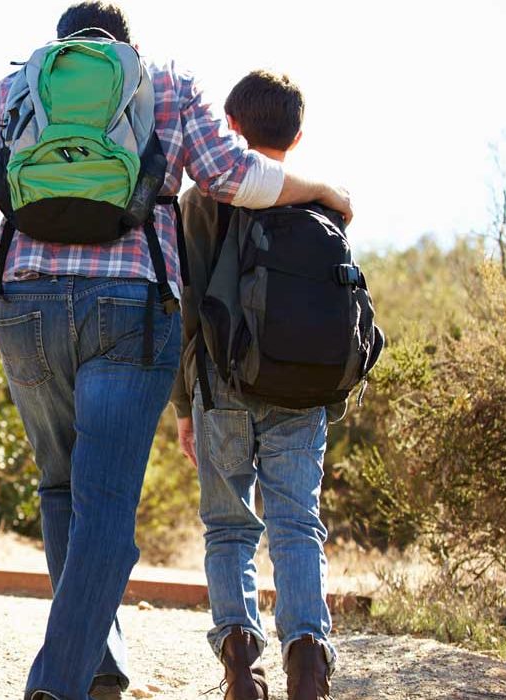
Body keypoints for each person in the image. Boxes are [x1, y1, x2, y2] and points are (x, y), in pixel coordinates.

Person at [0, 4, 353, 700]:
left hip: (27, 308)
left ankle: (97, 668)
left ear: (59, 49)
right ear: (125, 47)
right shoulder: (164, 84)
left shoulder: (14, 91)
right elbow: (231, 176)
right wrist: (323, 191)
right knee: (105, 504)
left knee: (61, 488)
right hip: (131, 309)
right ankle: (61, 683)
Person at [171, 70, 336, 700]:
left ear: (230, 129)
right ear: (296, 137)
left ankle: (241, 666)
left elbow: (188, 306)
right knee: (298, 523)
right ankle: (307, 659)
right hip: (302, 392)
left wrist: (185, 405)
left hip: (223, 388)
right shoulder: (321, 202)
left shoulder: (203, 200)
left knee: (229, 527)